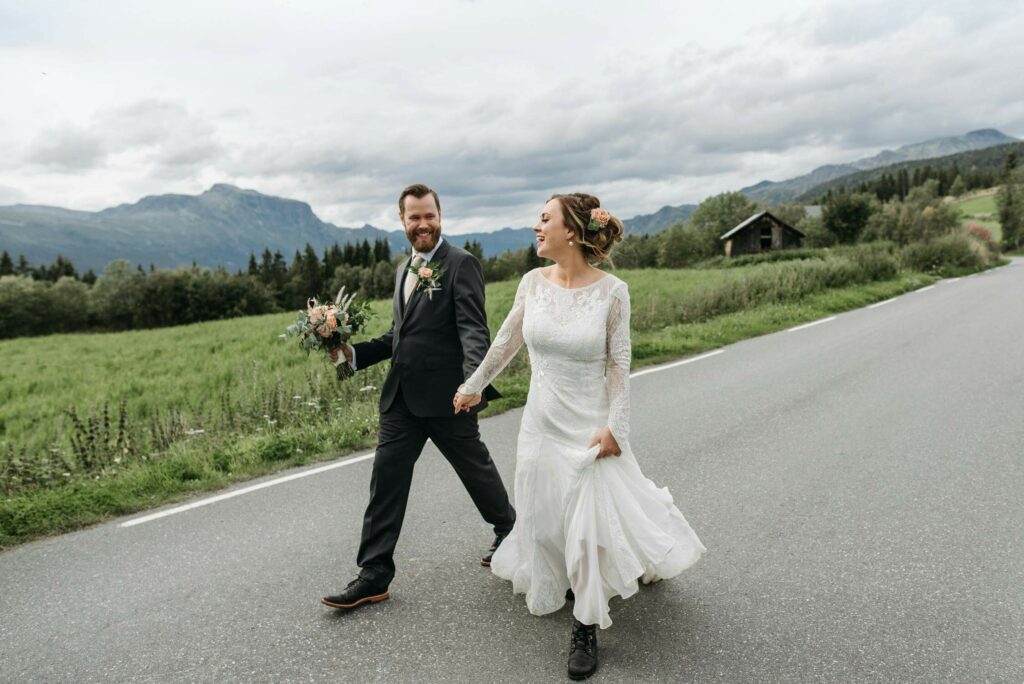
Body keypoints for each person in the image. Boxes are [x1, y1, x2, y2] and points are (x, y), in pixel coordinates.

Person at [454, 192, 705, 680]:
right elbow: (505, 342)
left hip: (591, 427)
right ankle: (570, 580)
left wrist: (617, 427)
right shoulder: (532, 283)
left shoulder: (613, 291)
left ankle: (586, 624)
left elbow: (619, 363)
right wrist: (472, 387)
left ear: (571, 230)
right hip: (541, 424)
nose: (536, 227)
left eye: (544, 219)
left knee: (588, 528)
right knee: (548, 520)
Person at [321, 183, 515, 610]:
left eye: (429, 215)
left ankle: (509, 530)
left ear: (440, 216)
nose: (422, 223)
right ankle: (374, 574)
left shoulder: (461, 264)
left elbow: (473, 330)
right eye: (414, 217)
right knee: (385, 482)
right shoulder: (403, 269)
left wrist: (473, 383)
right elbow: (399, 336)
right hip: (401, 401)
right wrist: (351, 355)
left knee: (475, 471)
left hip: (450, 397)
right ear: (402, 221)